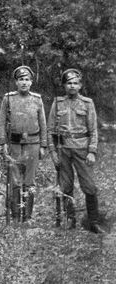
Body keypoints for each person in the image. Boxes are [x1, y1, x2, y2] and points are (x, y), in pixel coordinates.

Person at [47, 68, 105, 234]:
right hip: (63, 150)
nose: (72, 86)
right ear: (64, 86)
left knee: (90, 186)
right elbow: (50, 130)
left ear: (80, 85)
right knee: (66, 186)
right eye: (69, 83)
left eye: (75, 83)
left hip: (82, 149)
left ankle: (93, 222)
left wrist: (92, 151)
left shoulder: (87, 103)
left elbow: (93, 130)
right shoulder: (58, 103)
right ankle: (70, 219)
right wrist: (53, 153)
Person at [0, 66, 47, 221]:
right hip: (14, 144)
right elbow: (1, 122)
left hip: (33, 143)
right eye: (21, 79)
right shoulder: (9, 98)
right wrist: (3, 142)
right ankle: (16, 215)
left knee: (29, 181)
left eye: (27, 79)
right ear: (16, 82)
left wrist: (43, 145)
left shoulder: (37, 99)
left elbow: (43, 123)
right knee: (15, 180)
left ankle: (27, 215)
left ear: (31, 82)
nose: (24, 82)